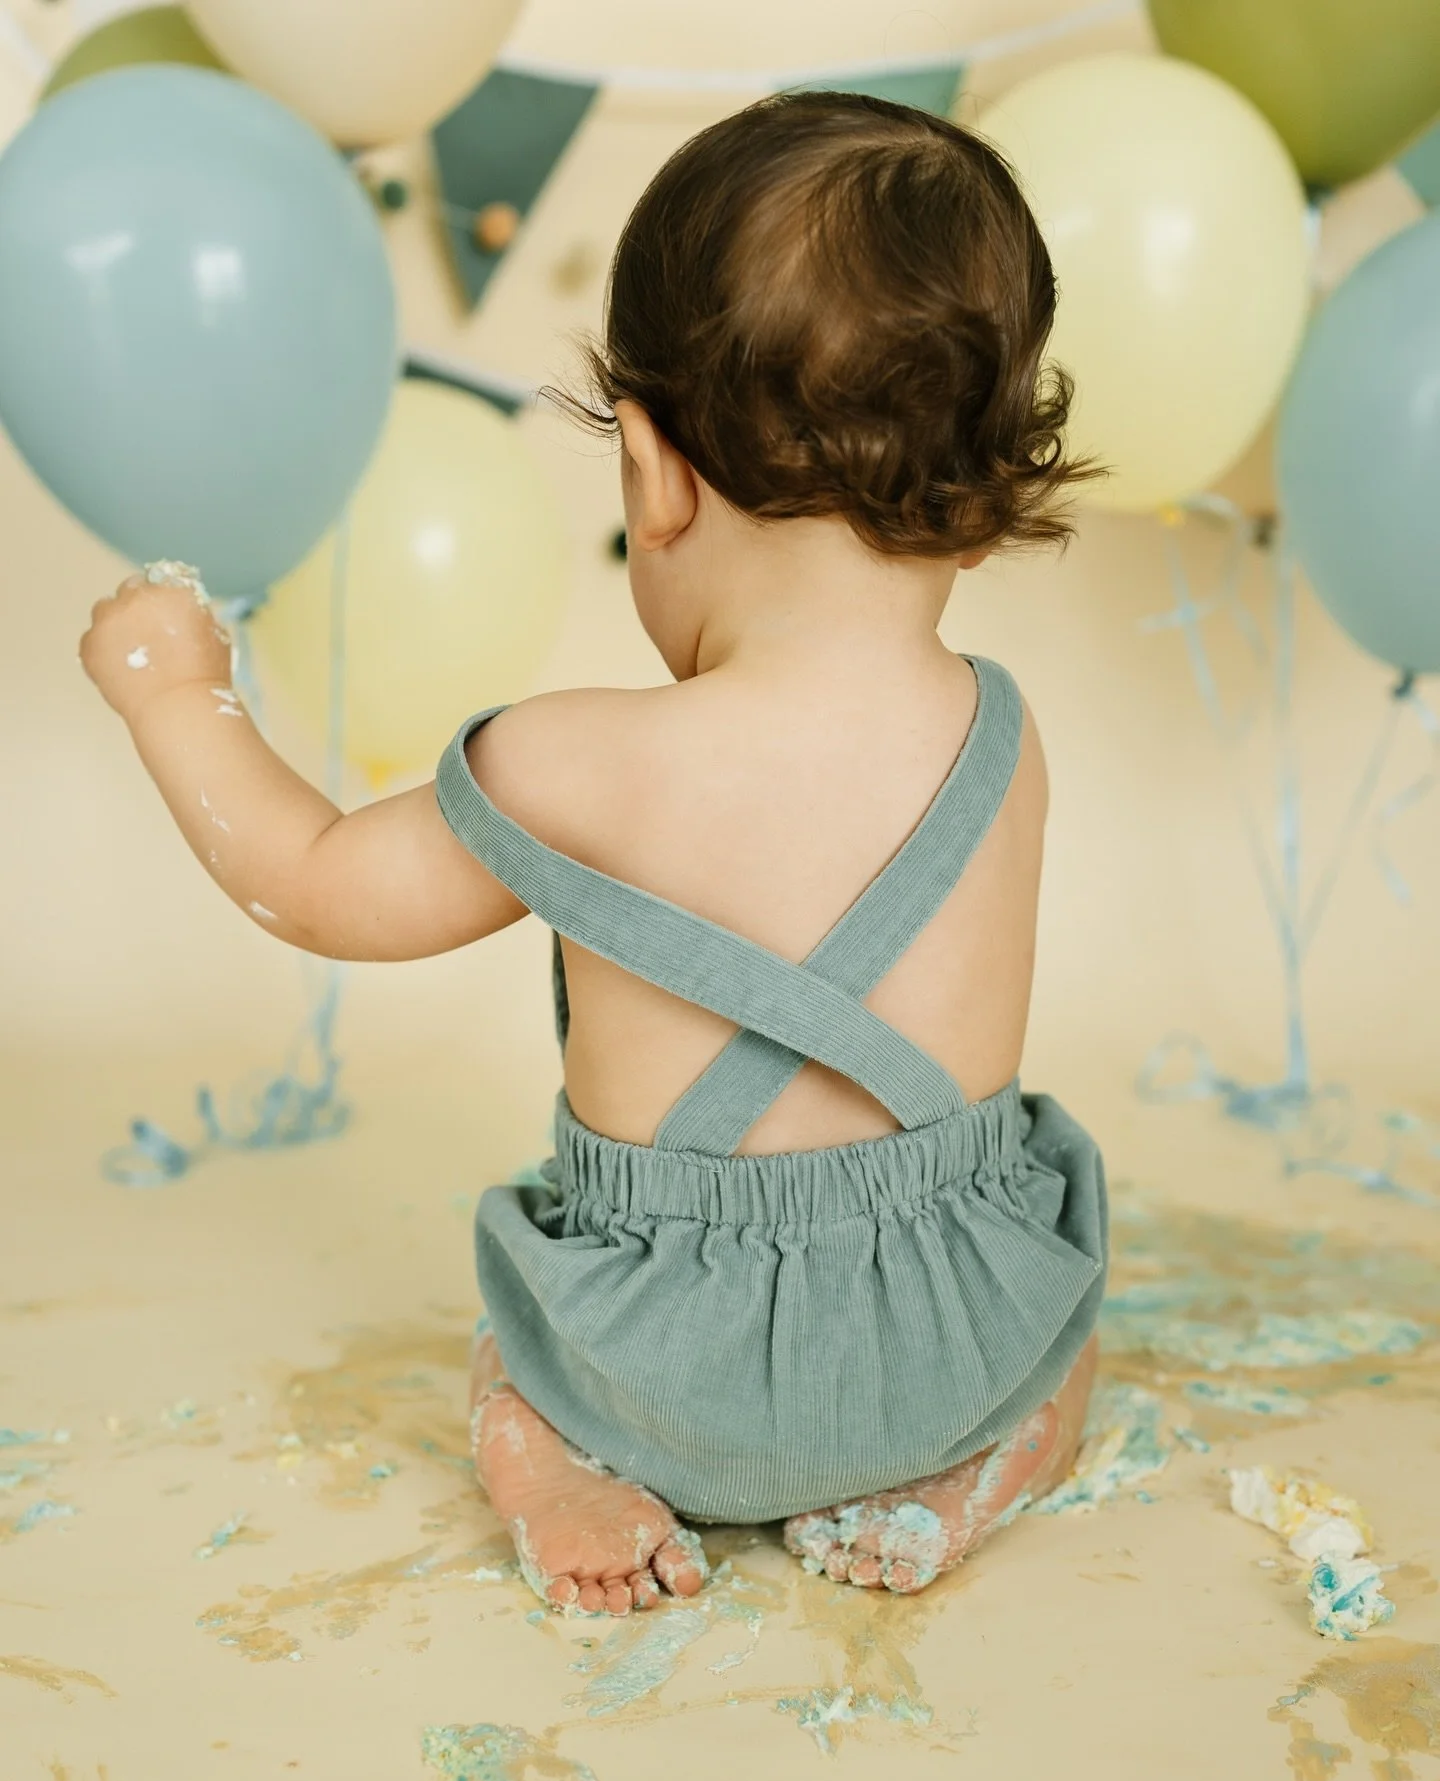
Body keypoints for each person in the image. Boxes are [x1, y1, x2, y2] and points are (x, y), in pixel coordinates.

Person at [81, 91, 1107, 1621]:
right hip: (944, 1343)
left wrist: (174, 691)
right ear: (981, 490)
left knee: (511, 1331)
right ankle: (995, 1452)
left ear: (652, 471)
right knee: (1061, 1285)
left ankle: (556, 1459)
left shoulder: (569, 765)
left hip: (661, 1369)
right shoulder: (1007, 737)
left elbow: (313, 881)